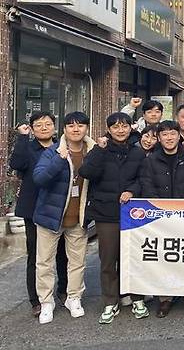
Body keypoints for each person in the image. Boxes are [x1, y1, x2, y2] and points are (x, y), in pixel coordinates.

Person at [78, 112, 147, 323]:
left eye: (124, 126)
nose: (120, 130)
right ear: (109, 129)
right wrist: (99, 149)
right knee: (108, 260)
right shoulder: (100, 150)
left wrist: (132, 191)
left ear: (130, 128)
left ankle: (137, 298)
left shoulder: (137, 152)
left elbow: (143, 178)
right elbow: (86, 171)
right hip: (105, 213)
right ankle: (111, 301)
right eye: (115, 127)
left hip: (132, 214)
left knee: (133, 258)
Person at [140, 120, 184, 317]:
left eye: (173, 134)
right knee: (165, 256)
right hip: (161, 217)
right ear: (159, 138)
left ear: (179, 135)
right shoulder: (151, 159)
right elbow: (146, 183)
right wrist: (157, 206)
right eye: (164, 134)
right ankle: (165, 299)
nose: (169, 138)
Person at [32, 111, 95, 324]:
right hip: (51, 218)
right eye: (71, 125)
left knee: (77, 262)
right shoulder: (52, 152)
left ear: (87, 128)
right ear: (65, 129)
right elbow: (39, 178)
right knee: (44, 263)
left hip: (79, 218)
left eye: (80, 125)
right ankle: (46, 302)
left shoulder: (93, 151)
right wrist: (59, 160)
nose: (76, 129)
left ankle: (74, 298)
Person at [9, 111, 69, 318]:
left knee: (63, 251)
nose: (44, 127)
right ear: (33, 129)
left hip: (60, 207)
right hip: (34, 209)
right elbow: (16, 164)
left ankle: (64, 291)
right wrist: (22, 137)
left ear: (55, 126)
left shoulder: (62, 147)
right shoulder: (28, 147)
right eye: (38, 125)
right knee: (36, 254)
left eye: (48, 124)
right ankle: (36, 299)